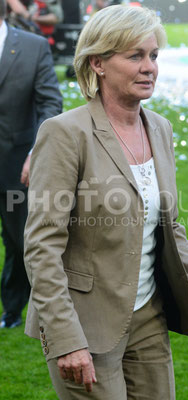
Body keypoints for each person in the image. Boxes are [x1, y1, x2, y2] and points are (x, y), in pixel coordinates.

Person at [24, 5, 188, 399]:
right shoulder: (65, 133)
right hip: (85, 322)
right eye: (135, 56)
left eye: (153, 56)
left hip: (149, 315)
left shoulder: (160, 128)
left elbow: (171, 225)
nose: (149, 67)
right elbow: (42, 247)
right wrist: (66, 338)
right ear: (97, 63)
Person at [0, 0, 62, 328]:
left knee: (20, 241)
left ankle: (13, 310)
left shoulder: (32, 47)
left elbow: (50, 102)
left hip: (15, 167)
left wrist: (35, 152)